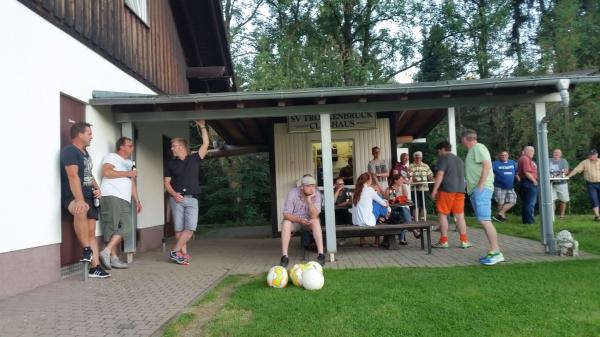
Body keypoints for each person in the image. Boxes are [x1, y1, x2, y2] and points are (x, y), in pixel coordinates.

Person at [60, 122, 110, 278]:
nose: (91, 136)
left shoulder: (85, 153)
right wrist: (80, 199)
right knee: (81, 209)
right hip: (73, 196)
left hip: (89, 195)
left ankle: (95, 267)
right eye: (89, 133)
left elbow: (89, 174)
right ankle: (86, 249)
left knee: (91, 231)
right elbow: (73, 176)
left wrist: (97, 188)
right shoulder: (69, 151)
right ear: (79, 134)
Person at [164, 120, 209, 265]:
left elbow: (206, 144)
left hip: (192, 199)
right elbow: (166, 183)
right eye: (172, 146)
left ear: (182, 147)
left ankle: (174, 251)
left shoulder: (194, 159)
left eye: (174, 146)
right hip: (176, 199)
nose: (172, 148)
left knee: (190, 228)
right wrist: (174, 194)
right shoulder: (171, 163)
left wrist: (202, 126)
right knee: (179, 229)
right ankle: (182, 255)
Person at [98, 137, 142, 270]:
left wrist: (137, 200)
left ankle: (106, 252)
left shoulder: (128, 163)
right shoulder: (112, 157)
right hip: (111, 195)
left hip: (124, 199)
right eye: (130, 145)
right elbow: (106, 172)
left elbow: (131, 183)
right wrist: (128, 173)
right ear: (121, 147)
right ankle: (114, 258)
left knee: (127, 227)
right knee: (111, 227)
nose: (132, 148)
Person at [462, 129, 504, 266]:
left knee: (485, 220)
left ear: (465, 139)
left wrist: (480, 184)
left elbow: (487, 164)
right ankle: (493, 250)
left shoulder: (478, 147)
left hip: (482, 189)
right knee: (483, 220)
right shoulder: (473, 150)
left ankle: (497, 252)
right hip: (476, 190)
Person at [430, 141, 472, 249]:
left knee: (443, 215)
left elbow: (440, 174)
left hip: (447, 190)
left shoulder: (444, 158)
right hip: (460, 190)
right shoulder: (459, 160)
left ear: (442, 149)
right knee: (460, 216)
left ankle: (443, 241)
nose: (438, 153)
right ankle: (464, 241)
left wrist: (435, 189)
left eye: (438, 151)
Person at [280, 174, 325, 267]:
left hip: (309, 222)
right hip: (295, 221)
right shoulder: (292, 193)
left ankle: (321, 255)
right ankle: (285, 256)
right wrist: (300, 220)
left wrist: (309, 200)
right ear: (301, 187)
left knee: (316, 221)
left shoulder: (317, 194)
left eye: (313, 185)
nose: (311, 188)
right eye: (308, 186)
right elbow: (286, 214)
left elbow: (315, 215)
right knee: (286, 223)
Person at [351, 172, 389, 247]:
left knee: (375, 203)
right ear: (368, 180)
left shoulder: (356, 191)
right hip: (367, 221)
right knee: (379, 203)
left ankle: (384, 216)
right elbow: (384, 204)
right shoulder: (369, 190)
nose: (371, 181)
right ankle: (385, 216)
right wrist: (386, 202)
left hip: (356, 221)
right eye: (371, 179)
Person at [567, 149, 600, 221]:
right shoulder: (585, 162)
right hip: (591, 184)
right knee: (594, 199)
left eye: (592, 155)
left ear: (596, 155)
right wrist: (568, 176)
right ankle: (597, 216)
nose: (590, 156)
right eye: (590, 155)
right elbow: (576, 169)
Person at [492, 151, 519, 222]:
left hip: (510, 187)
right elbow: (491, 174)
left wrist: (518, 178)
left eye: (505, 155)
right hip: (499, 186)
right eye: (502, 155)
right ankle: (501, 218)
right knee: (500, 203)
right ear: (499, 156)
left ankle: (500, 214)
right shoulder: (495, 164)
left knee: (513, 201)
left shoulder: (512, 162)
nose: (504, 156)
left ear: (508, 156)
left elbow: (516, 172)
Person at [386, 174, 414, 244]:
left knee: (403, 213)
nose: (403, 181)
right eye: (401, 179)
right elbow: (386, 200)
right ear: (395, 181)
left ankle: (402, 239)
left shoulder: (403, 187)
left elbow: (406, 198)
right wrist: (392, 193)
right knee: (404, 214)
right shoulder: (389, 189)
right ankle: (413, 230)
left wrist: (401, 199)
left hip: (402, 207)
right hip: (393, 209)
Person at [409, 151, 433, 221]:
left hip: (424, 188)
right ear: (414, 157)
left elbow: (430, 176)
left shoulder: (426, 166)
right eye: (416, 156)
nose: (418, 157)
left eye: (419, 156)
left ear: (421, 157)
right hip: (414, 189)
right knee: (415, 205)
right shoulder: (410, 166)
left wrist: (435, 179)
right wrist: (413, 179)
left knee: (424, 205)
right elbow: (409, 176)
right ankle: (416, 222)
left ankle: (423, 221)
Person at [517, 146, 538, 224]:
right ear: (526, 151)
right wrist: (534, 181)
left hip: (525, 182)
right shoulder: (525, 158)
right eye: (532, 151)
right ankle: (529, 221)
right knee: (530, 203)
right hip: (529, 182)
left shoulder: (523, 158)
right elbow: (527, 172)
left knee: (526, 203)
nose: (533, 153)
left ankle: (526, 221)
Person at [550, 149, 570, 219]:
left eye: (558, 153)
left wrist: (558, 176)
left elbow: (566, 170)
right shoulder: (548, 160)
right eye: (555, 152)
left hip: (562, 183)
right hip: (551, 184)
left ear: (561, 154)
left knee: (563, 200)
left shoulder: (563, 161)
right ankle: (552, 216)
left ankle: (562, 215)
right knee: (551, 200)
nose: (556, 153)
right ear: (553, 153)